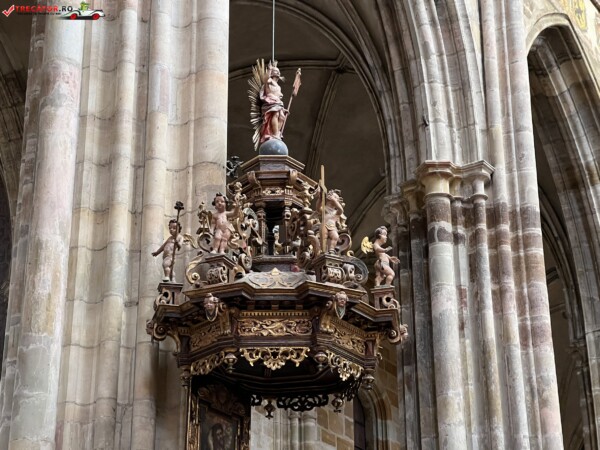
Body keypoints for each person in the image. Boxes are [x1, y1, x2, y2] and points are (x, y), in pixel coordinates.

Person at [259, 62, 288, 143]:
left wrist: (283, 109)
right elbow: (265, 79)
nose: (277, 72)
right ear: (272, 73)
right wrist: (269, 69)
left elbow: (278, 95)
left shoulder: (278, 86)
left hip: (278, 102)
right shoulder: (269, 81)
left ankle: (276, 133)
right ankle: (274, 134)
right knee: (276, 114)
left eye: (278, 71)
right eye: (275, 71)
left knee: (282, 117)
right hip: (271, 100)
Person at [315, 187, 345, 253]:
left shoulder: (336, 212)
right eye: (333, 196)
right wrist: (320, 198)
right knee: (324, 237)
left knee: (335, 236)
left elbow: (341, 210)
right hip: (324, 225)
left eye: (336, 198)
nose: (333, 198)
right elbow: (318, 208)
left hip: (333, 227)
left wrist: (334, 200)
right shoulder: (325, 209)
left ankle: (331, 250)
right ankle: (323, 251)